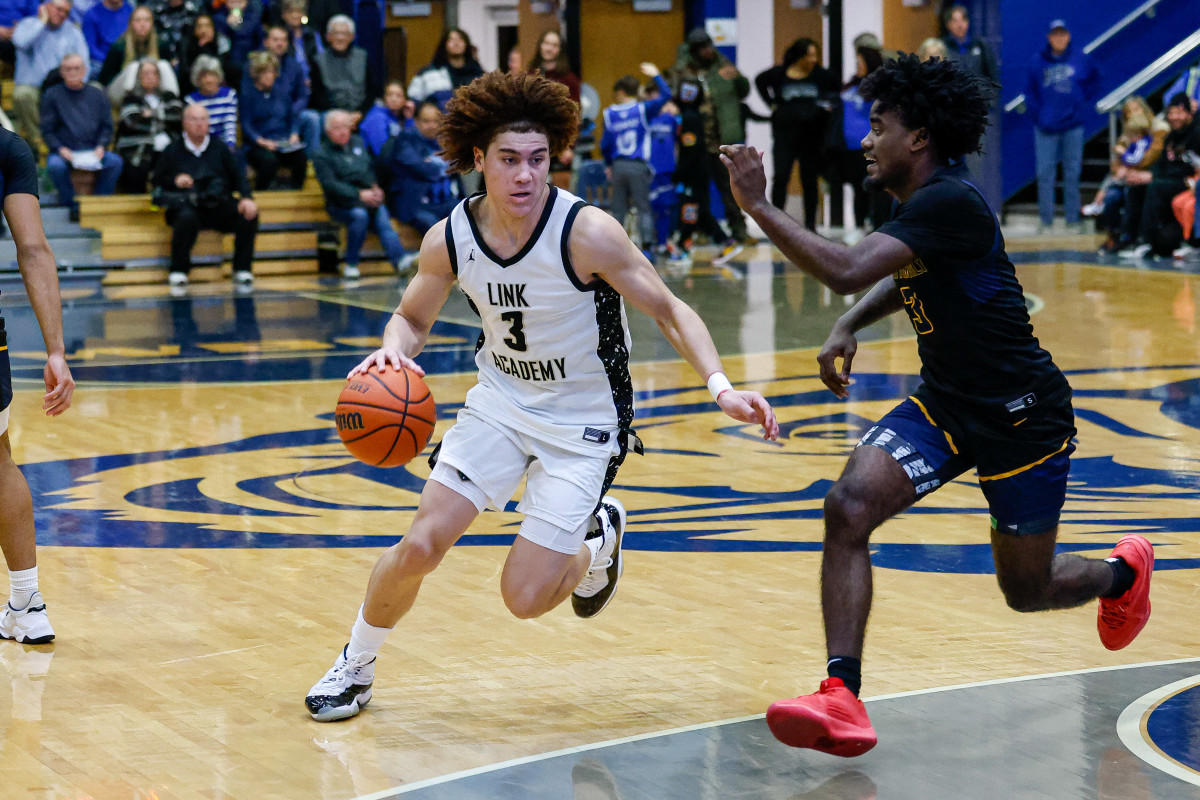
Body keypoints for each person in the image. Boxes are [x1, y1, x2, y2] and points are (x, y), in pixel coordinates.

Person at [303, 70, 779, 723]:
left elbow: (669, 309)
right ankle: (354, 666)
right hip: (500, 402)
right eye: (508, 161)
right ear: (478, 159)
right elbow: (412, 318)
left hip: (584, 419)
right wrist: (393, 350)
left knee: (523, 598)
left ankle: (599, 537)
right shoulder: (452, 237)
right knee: (420, 546)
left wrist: (720, 387)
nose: (525, 176)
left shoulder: (588, 233)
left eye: (538, 161)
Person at [720, 53, 1154, 757]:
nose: (866, 138)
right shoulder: (924, 208)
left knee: (1027, 588)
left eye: (879, 124)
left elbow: (846, 269)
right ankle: (841, 696)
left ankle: (1123, 574)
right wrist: (850, 325)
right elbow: (899, 274)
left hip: (1023, 417)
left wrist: (760, 205)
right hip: (948, 403)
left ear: (918, 138)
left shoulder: (949, 200)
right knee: (848, 505)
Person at [0, 126, 75, 647]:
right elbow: (33, 247)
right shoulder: (8, 147)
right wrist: (55, 350)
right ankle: (27, 602)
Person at [153, 102, 259, 289]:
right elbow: (158, 179)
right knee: (185, 218)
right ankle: (179, 270)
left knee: (249, 215)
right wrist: (176, 180)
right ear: (185, 122)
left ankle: (242, 269)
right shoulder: (173, 149)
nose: (199, 124)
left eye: (203, 119)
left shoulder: (220, 148)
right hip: (187, 205)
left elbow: (238, 176)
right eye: (194, 119)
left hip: (217, 204)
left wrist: (247, 197)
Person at [671, 28, 752, 249]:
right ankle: (703, 231)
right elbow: (674, 97)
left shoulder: (722, 65)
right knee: (699, 191)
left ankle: (740, 230)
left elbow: (744, 90)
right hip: (696, 144)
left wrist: (736, 77)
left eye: (709, 46)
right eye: (702, 48)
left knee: (730, 188)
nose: (708, 51)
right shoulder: (682, 71)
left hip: (721, 140)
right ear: (694, 51)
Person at [312, 109, 409, 280]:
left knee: (381, 215)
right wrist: (358, 194)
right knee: (360, 215)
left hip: (367, 197)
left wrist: (375, 188)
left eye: (345, 127)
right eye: (337, 128)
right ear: (328, 132)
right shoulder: (321, 154)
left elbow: (368, 169)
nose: (343, 131)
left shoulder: (357, 142)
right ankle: (351, 263)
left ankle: (400, 261)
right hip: (340, 203)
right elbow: (330, 185)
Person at [1024, 19, 1100, 233]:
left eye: (1063, 34)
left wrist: (1081, 100)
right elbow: (1029, 93)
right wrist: (1038, 116)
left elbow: (1096, 79)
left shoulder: (1080, 58)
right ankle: (1046, 221)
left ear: (1068, 36)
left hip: (1073, 125)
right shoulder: (1037, 62)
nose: (1059, 38)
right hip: (1045, 128)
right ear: (1049, 37)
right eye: (1055, 34)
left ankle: (1072, 220)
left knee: (1072, 173)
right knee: (1045, 174)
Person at [755, 37, 837, 230]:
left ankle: (810, 224)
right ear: (799, 56)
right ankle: (776, 223)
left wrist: (826, 108)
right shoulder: (780, 74)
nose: (813, 59)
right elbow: (759, 80)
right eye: (809, 55)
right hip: (784, 135)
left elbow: (834, 91)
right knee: (781, 176)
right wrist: (771, 103)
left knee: (809, 180)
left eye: (815, 55)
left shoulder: (821, 76)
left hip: (811, 137)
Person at [1117, 93, 1200, 261]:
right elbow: (1162, 164)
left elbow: (1188, 169)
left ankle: (1145, 241)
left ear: (1189, 114)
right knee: (1136, 187)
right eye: (1171, 113)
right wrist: (1148, 175)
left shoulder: (1196, 134)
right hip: (1171, 179)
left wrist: (1152, 177)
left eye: (1179, 112)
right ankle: (1129, 238)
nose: (1174, 117)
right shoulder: (1170, 137)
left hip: (1189, 181)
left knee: (1155, 186)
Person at [600, 62, 670, 259]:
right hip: (638, 165)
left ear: (620, 92)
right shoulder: (642, 109)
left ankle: (614, 250)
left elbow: (605, 144)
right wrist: (656, 75)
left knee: (618, 209)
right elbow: (666, 96)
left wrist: (608, 164)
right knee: (643, 208)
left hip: (618, 165)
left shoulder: (609, 113)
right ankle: (647, 248)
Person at [41, 53, 123, 221]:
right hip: (64, 150)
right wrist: (61, 149)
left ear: (85, 70)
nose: (73, 72)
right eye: (68, 69)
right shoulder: (52, 95)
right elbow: (47, 130)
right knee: (55, 166)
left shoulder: (98, 94)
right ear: (61, 72)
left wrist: (101, 146)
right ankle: (72, 205)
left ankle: (99, 203)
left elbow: (107, 127)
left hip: (93, 149)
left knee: (115, 162)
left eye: (77, 68)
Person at [1084, 96, 1165, 255]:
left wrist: (1128, 166)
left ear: (1145, 109)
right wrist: (1120, 169)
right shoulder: (1129, 133)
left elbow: (1149, 157)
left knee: (1131, 192)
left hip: (1148, 175)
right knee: (1112, 196)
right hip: (1128, 177)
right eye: (1128, 112)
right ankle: (1114, 236)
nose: (1132, 114)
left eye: (1136, 109)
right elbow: (1116, 164)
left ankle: (1132, 237)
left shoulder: (1159, 130)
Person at [826, 45, 888, 245]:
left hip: (872, 148)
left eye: (860, 61)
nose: (857, 65)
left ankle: (876, 227)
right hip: (849, 147)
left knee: (873, 188)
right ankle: (860, 227)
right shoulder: (851, 85)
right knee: (857, 188)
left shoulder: (879, 87)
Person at [379, 99, 459, 242]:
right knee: (438, 232)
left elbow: (457, 165)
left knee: (470, 219)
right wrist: (443, 165)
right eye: (426, 121)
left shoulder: (445, 140)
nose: (432, 126)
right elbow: (420, 168)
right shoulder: (404, 140)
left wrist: (434, 162)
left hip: (446, 201)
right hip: (417, 204)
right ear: (415, 121)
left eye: (435, 121)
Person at [11, 0, 87, 151]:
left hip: (62, 89)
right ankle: (39, 144)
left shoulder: (73, 31)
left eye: (66, 12)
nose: (62, 14)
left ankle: (73, 144)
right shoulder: (28, 25)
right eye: (58, 9)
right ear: (46, 7)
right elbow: (19, 42)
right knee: (22, 94)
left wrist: (77, 84)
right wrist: (42, 21)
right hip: (34, 89)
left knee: (89, 90)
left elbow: (84, 63)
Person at [239, 50, 307, 190]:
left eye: (272, 72)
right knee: (270, 161)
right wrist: (262, 141)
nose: (270, 76)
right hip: (259, 144)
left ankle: (295, 192)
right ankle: (260, 195)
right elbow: (246, 124)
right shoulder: (248, 95)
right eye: (265, 72)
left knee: (301, 158)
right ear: (257, 74)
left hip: (282, 142)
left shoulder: (282, 93)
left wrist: (294, 133)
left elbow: (292, 117)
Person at [114, 57, 183, 192]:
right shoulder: (130, 98)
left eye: (154, 73)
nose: (150, 77)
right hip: (137, 147)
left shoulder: (169, 96)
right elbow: (131, 123)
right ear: (139, 77)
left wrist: (150, 115)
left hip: (167, 148)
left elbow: (177, 118)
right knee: (135, 169)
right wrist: (161, 118)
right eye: (146, 73)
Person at [97, 5, 177, 104]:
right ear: (131, 23)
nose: (142, 24)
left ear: (152, 23)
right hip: (122, 92)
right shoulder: (119, 46)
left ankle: (172, 103)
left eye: (147, 20)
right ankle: (131, 103)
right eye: (138, 20)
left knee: (163, 65)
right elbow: (104, 79)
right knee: (135, 66)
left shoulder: (161, 44)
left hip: (154, 90)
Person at [309, 15, 373, 122]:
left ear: (352, 37)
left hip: (361, 112)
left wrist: (360, 112)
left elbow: (372, 90)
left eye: (344, 33)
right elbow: (318, 96)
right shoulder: (318, 61)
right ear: (328, 36)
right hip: (331, 113)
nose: (340, 38)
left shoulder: (363, 56)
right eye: (336, 33)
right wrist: (340, 115)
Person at [405, 27, 484, 112]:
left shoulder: (478, 74)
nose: (456, 43)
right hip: (436, 122)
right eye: (451, 40)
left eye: (460, 39)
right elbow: (412, 100)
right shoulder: (427, 74)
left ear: (466, 44)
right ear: (444, 45)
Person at [185, 54, 238, 150]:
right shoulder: (191, 100)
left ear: (219, 77)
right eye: (204, 76)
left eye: (213, 75)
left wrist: (230, 145)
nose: (209, 80)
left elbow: (230, 124)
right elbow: (193, 129)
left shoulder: (229, 95)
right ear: (198, 79)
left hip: (225, 145)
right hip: (202, 145)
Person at [941, 4, 999, 86]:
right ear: (948, 24)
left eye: (963, 20)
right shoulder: (942, 47)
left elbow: (993, 77)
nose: (959, 25)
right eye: (955, 21)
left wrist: (992, 97)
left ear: (967, 23)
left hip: (979, 95)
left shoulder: (981, 45)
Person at [173, 13, 227, 97]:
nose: (204, 30)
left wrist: (208, 46)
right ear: (194, 30)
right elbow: (184, 71)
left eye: (207, 26)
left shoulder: (221, 41)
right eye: (200, 26)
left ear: (213, 28)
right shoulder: (186, 44)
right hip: (192, 85)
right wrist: (201, 47)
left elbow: (222, 65)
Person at [359, 79, 413, 157]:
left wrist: (409, 119)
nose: (394, 99)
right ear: (384, 98)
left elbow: (414, 143)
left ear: (405, 100)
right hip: (378, 164)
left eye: (398, 96)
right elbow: (381, 151)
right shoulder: (377, 117)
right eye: (389, 95)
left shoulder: (402, 118)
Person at [80, 0, 129, 80]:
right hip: (100, 63)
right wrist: (110, 61)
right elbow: (91, 48)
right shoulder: (92, 14)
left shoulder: (130, 10)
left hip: (126, 60)